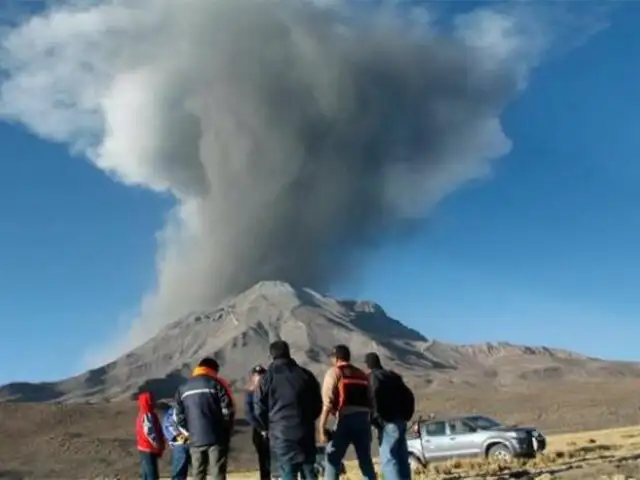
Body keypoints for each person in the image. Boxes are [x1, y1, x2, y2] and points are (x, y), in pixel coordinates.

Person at [254, 340, 323, 480]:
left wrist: (266, 427)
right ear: (288, 352)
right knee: (309, 471)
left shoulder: (267, 379)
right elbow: (317, 404)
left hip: (281, 435)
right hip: (305, 432)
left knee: (288, 472)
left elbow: (259, 407)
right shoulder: (306, 375)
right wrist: (307, 420)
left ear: (271, 355)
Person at [318, 345, 377, 480]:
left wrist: (321, 428)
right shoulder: (362, 374)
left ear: (337, 358)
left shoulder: (335, 372)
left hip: (346, 420)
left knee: (333, 458)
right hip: (363, 421)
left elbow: (327, 402)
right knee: (365, 460)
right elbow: (371, 400)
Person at [175, 357, 236, 480]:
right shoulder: (216, 384)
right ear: (213, 370)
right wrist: (225, 430)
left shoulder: (183, 388)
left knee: (198, 473)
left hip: (195, 440)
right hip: (216, 438)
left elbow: (178, 416)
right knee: (217, 473)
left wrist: (189, 433)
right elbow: (228, 410)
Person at [365, 352, 415, 480]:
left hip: (387, 422)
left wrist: (376, 419)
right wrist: (407, 415)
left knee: (389, 459)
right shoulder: (393, 376)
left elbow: (373, 397)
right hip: (400, 421)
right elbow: (409, 395)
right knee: (402, 458)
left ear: (368, 365)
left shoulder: (373, 378)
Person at [245, 364, 271, 480]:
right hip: (259, 431)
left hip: (274, 428)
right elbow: (249, 414)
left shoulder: (271, 392)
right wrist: (262, 429)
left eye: (262, 375)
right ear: (253, 377)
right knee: (264, 460)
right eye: (257, 375)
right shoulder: (250, 393)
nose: (259, 378)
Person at [135, 391, 165, 480]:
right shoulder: (147, 414)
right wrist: (157, 444)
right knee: (152, 472)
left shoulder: (141, 414)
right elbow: (149, 431)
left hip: (143, 447)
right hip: (148, 448)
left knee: (146, 471)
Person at [161, 402, 191, 480]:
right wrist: (181, 438)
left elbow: (167, 425)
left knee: (180, 473)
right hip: (183, 444)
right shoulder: (175, 410)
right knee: (180, 473)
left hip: (184, 444)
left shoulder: (174, 410)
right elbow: (168, 425)